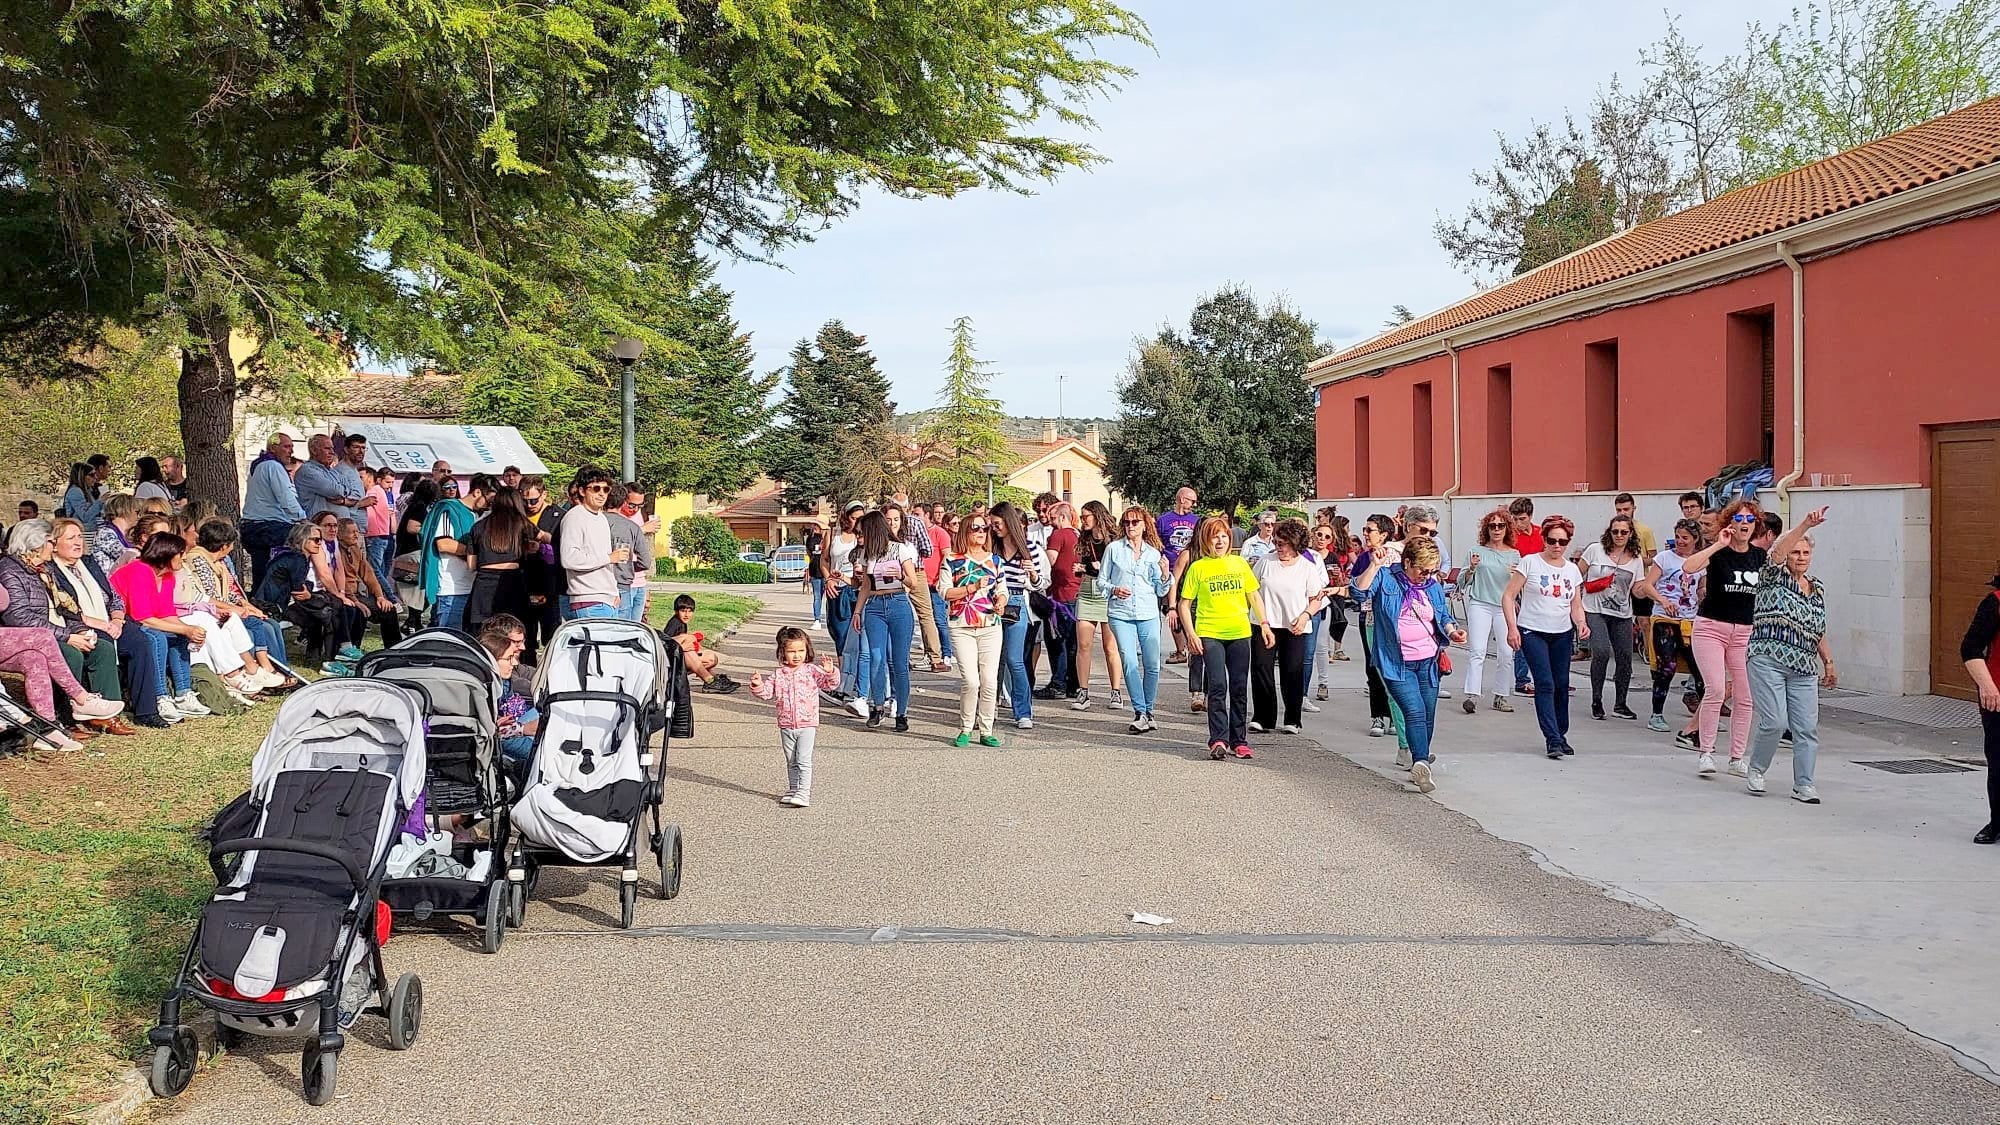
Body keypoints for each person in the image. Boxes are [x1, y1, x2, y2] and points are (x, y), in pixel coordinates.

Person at [0, 521, 129, 745]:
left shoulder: (42, 570)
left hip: (47, 633)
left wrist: (81, 630)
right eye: (51, 541)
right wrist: (68, 636)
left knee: (101, 649)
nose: (52, 545)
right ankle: (76, 706)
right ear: (35, 545)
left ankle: (54, 727)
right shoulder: (11, 570)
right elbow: (18, 618)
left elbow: (67, 608)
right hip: (26, 635)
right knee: (65, 650)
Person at [1354, 535, 1461, 793]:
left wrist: (1452, 630)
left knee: (1428, 713)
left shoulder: (1432, 586)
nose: (1427, 575)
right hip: (1396, 661)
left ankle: (1418, 755)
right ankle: (1421, 763)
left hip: (1428, 661)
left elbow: (1443, 614)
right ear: (1408, 562)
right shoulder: (1386, 578)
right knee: (1414, 711)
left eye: (1432, 570)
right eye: (1423, 570)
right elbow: (1358, 591)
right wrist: (1374, 565)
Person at [1745, 507, 1835, 803]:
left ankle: (1804, 784)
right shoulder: (1772, 577)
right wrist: (1805, 525)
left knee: (1806, 728)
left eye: (1805, 553)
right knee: (1774, 721)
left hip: (1804, 667)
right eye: (1795, 552)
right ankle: (1757, 769)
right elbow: (1776, 554)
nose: (1800, 557)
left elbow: (1816, 627)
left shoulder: (1817, 587)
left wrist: (1828, 661)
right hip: (1768, 659)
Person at [46, 515, 164, 729]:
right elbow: (66, 608)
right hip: (79, 625)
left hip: (110, 619)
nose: (78, 542)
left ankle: (147, 711)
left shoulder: (89, 563)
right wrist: (103, 625)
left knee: (141, 641)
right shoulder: (51, 571)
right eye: (71, 538)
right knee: (104, 643)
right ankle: (106, 714)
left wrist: (118, 619)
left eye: (80, 537)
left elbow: (114, 595)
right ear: (54, 545)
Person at [1681, 498, 1768, 778]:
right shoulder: (1717, 552)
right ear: (1730, 523)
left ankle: (1736, 757)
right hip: (1711, 628)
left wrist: (1804, 525)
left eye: (1749, 520)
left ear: (1755, 525)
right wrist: (1718, 543)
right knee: (1716, 689)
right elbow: (1689, 567)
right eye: (1739, 519)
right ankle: (1706, 752)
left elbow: (1779, 558)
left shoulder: (1758, 556)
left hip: (1744, 631)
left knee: (1745, 696)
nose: (1744, 524)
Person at [1178, 515, 1274, 760]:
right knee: (1218, 686)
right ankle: (1218, 739)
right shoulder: (1198, 567)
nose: (1220, 541)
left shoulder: (1239, 564)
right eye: (1214, 536)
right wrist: (1191, 634)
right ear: (1206, 540)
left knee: (1240, 688)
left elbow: (1254, 596)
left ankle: (1239, 739)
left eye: (1224, 536)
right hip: (1210, 633)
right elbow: (1184, 603)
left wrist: (1264, 624)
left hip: (1239, 632)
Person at [109, 532, 220, 718]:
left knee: (181, 634)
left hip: (141, 620)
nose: (184, 558)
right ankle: (160, 696)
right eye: (181, 553)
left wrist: (190, 631)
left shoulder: (168, 577)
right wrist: (185, 629)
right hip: (123, 622)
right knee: (158, 637)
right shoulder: (140, 570)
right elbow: (142, 617)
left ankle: (183, 693)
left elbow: (167, 613)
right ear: (167, 553)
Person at [1504, 515, 1589, 759]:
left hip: (1562, 633)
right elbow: (1509, 596)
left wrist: (1581, 623)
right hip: (1533, 630)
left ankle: (1561, 734)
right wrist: (1512, 627)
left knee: (1562, 684)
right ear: (1544, 539)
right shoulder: (1530, 562)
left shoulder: (1572, 570)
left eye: (1562, 542)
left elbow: (1576, 603)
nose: (1557, 546)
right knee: (1545, 683)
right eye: (1552, 541)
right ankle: (1551, 738)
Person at [185, 519, 296, 690]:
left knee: (272, 624)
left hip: (226, 606)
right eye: (231, 544)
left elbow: (227, 592)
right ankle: (262, 667)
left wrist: (245, 604)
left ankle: (281, 668)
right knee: (259, 625)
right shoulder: (199, 560)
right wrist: (241, 609)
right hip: (215, 611)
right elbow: (209, 594)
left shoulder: (217, 563)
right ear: (223, 546)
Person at [748, 626, 841, 806]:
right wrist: (757, 685)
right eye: (791, 651)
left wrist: (830, 671)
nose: (797, 655)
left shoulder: (811, 671)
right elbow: (767, 693)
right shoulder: (778, 675)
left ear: (807, 651)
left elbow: (830, 685)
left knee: (803, 759)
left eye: (801, 651)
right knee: (791, 759)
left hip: (807, 724)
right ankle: (793, 788)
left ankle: (804, 792)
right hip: (786, 723)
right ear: (782, 652)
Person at [1249, 518, 1326, 735]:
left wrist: (1305, 616)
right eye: (1276, 542)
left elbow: (1316, 598)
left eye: (1282, 543)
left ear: (1294, 543)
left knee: (1292, 671)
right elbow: (1252, 591)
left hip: (1295, 626)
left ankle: (1293, 718)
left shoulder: (1307, 568)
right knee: (1261, 670)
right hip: (1265, 624)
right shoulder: (1265, 562)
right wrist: (1259, 618)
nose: (1278, 547)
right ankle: (1263, 717)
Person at [1102, 505, 1171, 733]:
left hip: (1147, 612)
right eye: (1127, 522)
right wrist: (1114, 589)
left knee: (1152, 664)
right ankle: (1140, 711)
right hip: (1121, 613)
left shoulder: (1153, 553)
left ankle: (1148, 711)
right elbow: (1101, 581)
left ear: (1144, 525)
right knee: (1129, 661)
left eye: (1135, 522)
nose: (1130, 526)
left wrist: (1164, 574)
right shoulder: (1113, 549)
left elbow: (1160, 590)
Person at [1636, 519, 1708, 736]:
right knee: (1666, 666)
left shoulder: (1702, 561)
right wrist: (1663, 601)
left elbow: (1702, 587)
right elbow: (1647, 585)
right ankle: (1656, 714)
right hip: (1665, 619)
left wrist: (1703, 595)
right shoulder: (1665, 558)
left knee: (1702, 670)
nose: (1680, 541)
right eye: (1677, 536)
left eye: (1685, 538)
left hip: (1690, 619)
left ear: (1695, 540)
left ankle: (1704, 717)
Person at [941, 512, 1007, 746]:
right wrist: (972, 587)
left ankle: (986, 729)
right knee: (971, 680)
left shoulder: (995, 560)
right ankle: (966, 727)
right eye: (976, 528)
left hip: (990, 624)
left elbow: (1002, 589)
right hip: (962, 624)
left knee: (989, 681)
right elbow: (945, 592)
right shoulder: (952, 559)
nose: (981, 533)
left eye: (985, 529)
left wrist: (1000, 600)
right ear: (966, 531)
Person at [853, 509, 921, 732]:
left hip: (898, 602)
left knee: (899, 662)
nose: (861, 536)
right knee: (876, 658)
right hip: (874, 606)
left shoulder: (899, 549)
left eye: (864, 531)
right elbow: (865, 585)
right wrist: (857, 612)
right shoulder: (867, 554)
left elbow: (914, 582)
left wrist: (900, 574)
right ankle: (877, 706)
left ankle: (901, 711)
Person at [1577, 515, 1648, 721]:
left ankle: (1621, 703)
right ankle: (1596, 700)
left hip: (1621, 613)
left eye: (1623, 532)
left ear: (1631, 534)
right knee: (1600, 651)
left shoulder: (1635, 559)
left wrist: (1652, 591)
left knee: (1625, 656)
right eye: (1615, 531)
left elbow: (1637, 588)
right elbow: (1575, 574)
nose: (1619, 535)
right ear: (1609, 532)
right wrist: (1573, 599)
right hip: (1594, 609)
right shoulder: (1595, 550)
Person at [1458, 507, 1520, 714]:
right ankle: (1472, 695)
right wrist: (1472, 568)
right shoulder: (1476, 552)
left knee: (1506, 652)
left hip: (1504, 606)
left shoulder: (1514, 555)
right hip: (1480, 603)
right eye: (1492, 525)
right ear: (1486, 529)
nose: (1496, 529)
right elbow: (1462, 583)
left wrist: (1515, 578)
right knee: (1477, 651)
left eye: (1500, 525)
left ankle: (1501, 696)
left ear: (1507, 529)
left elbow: (1521, 586)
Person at [989, 501, 1044, 731]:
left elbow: (1040, 584)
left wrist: (1032, 575)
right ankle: (987, 708)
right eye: (992, 524)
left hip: (1016, 600)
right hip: (991, 601)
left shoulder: (1030, 547)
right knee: (991, 660)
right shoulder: (992, 547)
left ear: (1009, 522)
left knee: (1014, 659)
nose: (994, 528)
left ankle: (1022, 710)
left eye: (997, 524)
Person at [256, 519, 340, 665]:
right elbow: (299, 592)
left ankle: (317, 657)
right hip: (273, 607)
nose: (319, 543)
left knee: (328, 609)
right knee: (329, 611)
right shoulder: (296, 559)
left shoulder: (297, 557)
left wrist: (311, 594)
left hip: (281, 602)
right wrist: (316, 597)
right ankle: (329, 660)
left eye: (320, 540)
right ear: (303, 539)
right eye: (315, 540)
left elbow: (301, 588)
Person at [475, 614, 540, 789]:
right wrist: (523, 728)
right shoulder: (484, 684)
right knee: (545, 749)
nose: (523, 648)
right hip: (503, 738)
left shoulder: (502, 671)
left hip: (509, 728)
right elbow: (483, 733)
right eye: (517, 643)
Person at [424, 472, 495, 631]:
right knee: (449, 640)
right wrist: (476, 553)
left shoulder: (477, 515)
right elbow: (443, 543)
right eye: (488, 500)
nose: (488, 505)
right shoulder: (449, 509)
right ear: (477, 492)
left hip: (470, 586)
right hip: (451, 588)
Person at [1352, 515, 1401, 740]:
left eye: (1369, 530)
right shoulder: (1364, 557)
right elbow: (1356, 585)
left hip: (1391, 620)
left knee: (1392, 668)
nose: (1365, 533)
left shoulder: (1397, 557)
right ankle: (1378, 715)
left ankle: (1394, 717)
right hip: (1368, 617)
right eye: (1364, 528)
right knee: (1373, 668)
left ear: (1383, 534)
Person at [465, 486, 537, 637]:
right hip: (513, 582)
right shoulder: (523, 524)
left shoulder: (478, 526)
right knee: (513, 632)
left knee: (484, 635)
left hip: (483, 584)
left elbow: (471, 565)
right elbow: (545, 538)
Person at [1070, 500, 1122, 711]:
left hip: (1108, 593)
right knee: (1083, 645)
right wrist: (1083, 568)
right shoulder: (1084, 539)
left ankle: (1116, 691)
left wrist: (1093, 567)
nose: (1083, 521)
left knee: (1110, 646)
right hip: (1087, 592)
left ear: (1097, 515)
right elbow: (1087, 567)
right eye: (1082, 517)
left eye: (1086, 517)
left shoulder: (1115, 540)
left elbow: (1113, 569)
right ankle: (1083, 692)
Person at [558, 468, 627, 622]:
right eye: (596, 489)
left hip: (607, 599)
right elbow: (569, 558)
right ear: (582, 491)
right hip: (588, 601)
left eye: (606, 489)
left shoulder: (601, 518)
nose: (602, 494)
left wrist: (614, 591)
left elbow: (605, 563)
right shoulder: (575, 517)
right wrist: (609, 558)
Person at [1962, 565, 2000, 845]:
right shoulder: (1994, 603)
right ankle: (1996, 822)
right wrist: (1987, 686)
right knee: (1999, 763)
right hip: (1997, 697)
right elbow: (1970, 648)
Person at [889, 492, 948, 673]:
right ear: (907, 506)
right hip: (916, 570)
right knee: (926, 615)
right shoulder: (916, 523)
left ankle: (900, 657)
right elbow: (928, 550)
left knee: (897, 615)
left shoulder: (886, 522)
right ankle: (936, 658)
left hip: (893, 571)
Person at [242, 433, 306, 593]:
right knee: (294, 560)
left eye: (291, 446)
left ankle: (261, 603)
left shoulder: (258, 465)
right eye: (286, 446)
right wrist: (303, 519)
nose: (291, 451)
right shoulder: (273, 466)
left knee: (261, 573)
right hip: (270, 527)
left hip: (254, 526)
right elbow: (286, 498)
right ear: (273, 447)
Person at [334, 517, 403, 650]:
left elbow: (368, 575)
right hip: (343, 595)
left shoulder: (355, 549)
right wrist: (356, 601)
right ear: (340, 535)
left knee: (388, 609)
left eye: (357, 531)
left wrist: (380, 597)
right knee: (360, 611)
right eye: (352, 532)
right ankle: (352, 650)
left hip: (357, 595)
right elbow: (340, 582)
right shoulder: (336, 551)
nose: (356, 535)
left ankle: (394, 649)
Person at [823, 503, 867, 709]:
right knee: (840, 635)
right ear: (846, 517)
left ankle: (857, 685)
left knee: (858, 638)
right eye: (854, 517)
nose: (857, 521)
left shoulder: (866, 535)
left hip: (858, 589)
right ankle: (843, 683)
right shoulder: (833, 534)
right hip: (838, 587)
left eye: (861, 517)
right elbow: (824, 561)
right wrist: (828, 579)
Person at [1036, 501, 1081, 701]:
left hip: (1060, 595)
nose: (1050, 522)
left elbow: (1050, 561)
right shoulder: (1079, 536)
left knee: (1056, 641)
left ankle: (1058, 684)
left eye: (1053, 518)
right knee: (1072, 642)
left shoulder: (1058, 534)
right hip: (1076, 593)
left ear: (1063, 518)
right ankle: (1074, 684)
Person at [1157, 486, 1201, 664]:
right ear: (1182, 499)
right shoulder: (1163, 520)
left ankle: (1192, 647)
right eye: (1192, 501)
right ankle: (1180, 649)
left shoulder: (1196, 520)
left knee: (1190, 609)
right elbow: (1157, 543)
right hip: (1170, 571)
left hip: (1191, 571)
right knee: (1170, 609)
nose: (1194, 504)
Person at [662, 593, 738, 693]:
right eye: (683, 611)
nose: (686, 615)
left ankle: (714, 678)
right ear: (676, 611)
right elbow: (668, 643)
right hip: (670, 662)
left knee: (711, 658)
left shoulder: (682, 623)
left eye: (690, 611)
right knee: (690, 651)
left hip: (678, 658)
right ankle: (709, 681)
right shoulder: (675, 623)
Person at [1507, 497, 1543, 695]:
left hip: (1539, 588)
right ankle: (1522, 680)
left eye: (1522, 519)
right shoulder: (1511, 537)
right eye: (1515, 519)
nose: (1518, 524)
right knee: (1521, 632)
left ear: (1530, 517)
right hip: (1519, 587)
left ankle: (1548, 678)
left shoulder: (1541, 534)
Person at [293, 434, 362, 526]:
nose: (332, 452)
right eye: (327, 448)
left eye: (332, 448)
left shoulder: (332, 471)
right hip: (321, 527)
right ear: (314, 450)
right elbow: (334, 491)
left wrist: (342, 500)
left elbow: (354, 493)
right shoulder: (308, 470)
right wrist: (343, 492)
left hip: (339, 527)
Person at [613, 484, 656, 623]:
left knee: (636, 625)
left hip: (640, 581)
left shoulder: (637, 514)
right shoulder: (616, 517)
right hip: (625, 582)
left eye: (640, 505)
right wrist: (642, 529)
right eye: (632, 505)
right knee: (624, 625)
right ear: (623, 501)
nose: (635, 509)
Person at [361, 466, 397, 592]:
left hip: (381, 535)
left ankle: (390, 598)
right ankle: (389, 598)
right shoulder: (376, 491)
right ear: (379, 480)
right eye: (388, 482)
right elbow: (370, 513)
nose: (390, 485)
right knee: (378, 570)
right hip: (379, 533)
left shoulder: (382, 492)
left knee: (377, 570)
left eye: (392, 482)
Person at [90, 494, 141, 576]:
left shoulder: (129, 534)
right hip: (109, 584)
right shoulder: (104, 533)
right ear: (124, 511)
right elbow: (126, 555)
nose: (139, 516)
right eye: (137, 512)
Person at [59, 461, 105, 537]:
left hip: (89, 532)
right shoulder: (75, 491)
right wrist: (100, 502)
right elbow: (84, 517)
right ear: (82, 476)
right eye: (92, 475)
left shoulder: (88, 491)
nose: (95, 477)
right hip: (81, 533)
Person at [802, 520, 827, 630]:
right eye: (814, 525)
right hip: (815, 570)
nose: (815, 527)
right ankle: (817, 619)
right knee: (817, 596)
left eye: (818, 525)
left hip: (827, 571)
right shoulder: (811, 538)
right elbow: (810, 550)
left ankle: (831, 618)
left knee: (831, 597)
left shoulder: (828, 537)